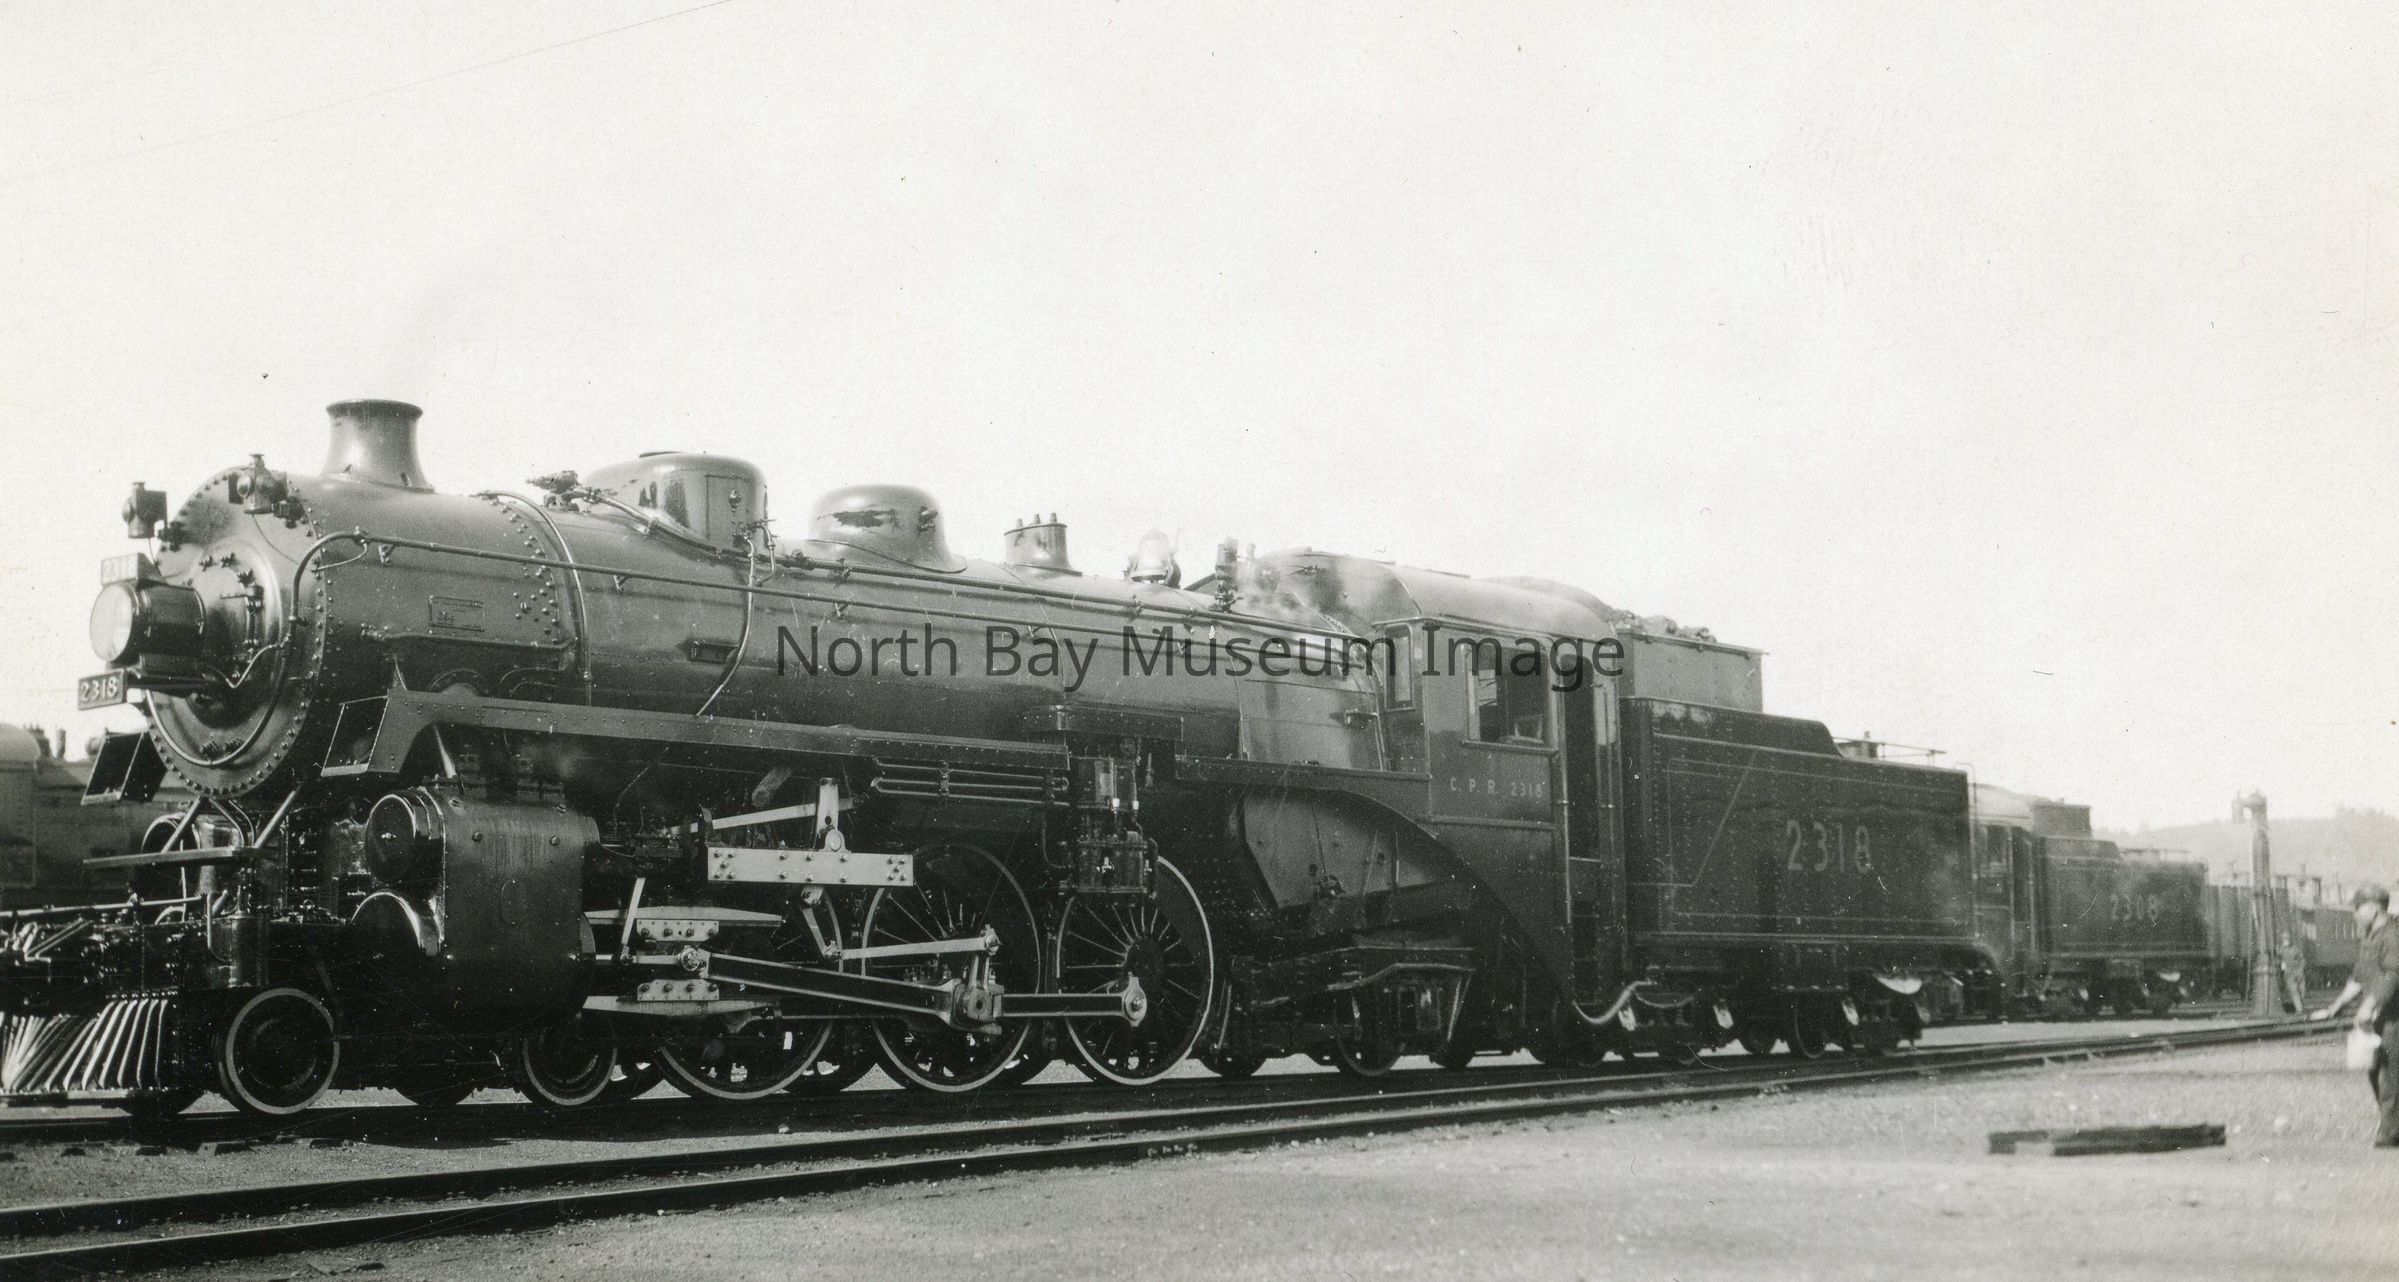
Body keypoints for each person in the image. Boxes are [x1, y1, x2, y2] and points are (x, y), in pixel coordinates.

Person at [2310, 884, 2399, 1147]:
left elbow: (2392, 975)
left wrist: (2368, 1006)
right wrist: (2333, 1008)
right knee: (2376, 1071)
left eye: (2358, 908)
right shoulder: (2370, 937)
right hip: (2378, 1017)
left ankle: (2390, 1133)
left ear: (2373, 908)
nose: (2355, 914)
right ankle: (2393, 1128)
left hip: (2393, 1017)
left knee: (2389, 1075)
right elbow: (2358, 978)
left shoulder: (2392, 936)